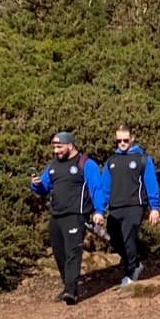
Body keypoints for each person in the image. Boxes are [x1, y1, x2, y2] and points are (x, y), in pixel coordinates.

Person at [30, 129, 101, 305]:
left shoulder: (86, 164)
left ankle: (71, 291)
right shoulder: (53, 166)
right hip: (56, 215)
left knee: (72, 252)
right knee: (59, 253)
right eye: (54, 147)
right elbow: (44, 187)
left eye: (59, 147)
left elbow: (96, 188)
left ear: (70, 145)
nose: (56, 151)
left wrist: (99, 211)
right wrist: (36, 185)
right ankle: (66, 285)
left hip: (76, 215)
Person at [90, 124, 160, 287]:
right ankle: (135, 263)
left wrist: (154, 208)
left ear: (132, 139)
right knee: (114, 238)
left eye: (125, 140)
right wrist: (100, 210)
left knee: (129, 236)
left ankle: (130, 273)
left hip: (135, 206)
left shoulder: (143, 159)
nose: (122, 143)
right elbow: (104, 188)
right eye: (119, 140)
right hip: (115, 207)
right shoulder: (111, 161)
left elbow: (151, 184)